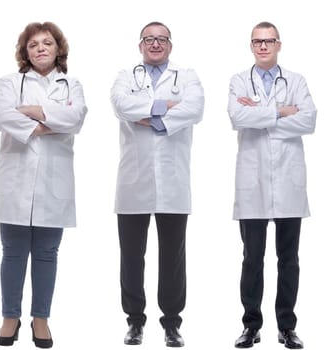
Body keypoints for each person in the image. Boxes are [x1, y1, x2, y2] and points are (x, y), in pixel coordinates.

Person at [0, 21, 86, 349]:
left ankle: (41, 318)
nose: (41, 48)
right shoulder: (9, 82)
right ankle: (10, 317)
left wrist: (33, 112)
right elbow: (1, 116)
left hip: (54, 181)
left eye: (47, 43)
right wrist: (49, 123)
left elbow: (77, 118)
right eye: (33, 45)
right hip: (15, 179)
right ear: (25, 52)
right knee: (13, 252)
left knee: (47, 252)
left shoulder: (71, 84)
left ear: (58, 48)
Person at [110, 21, 204, 348]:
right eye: (149, 39)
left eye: (161, 39)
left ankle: (172, 323)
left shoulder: (187, 75)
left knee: (173, 258)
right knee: (132, 257)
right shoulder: (126, 76)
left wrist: (149, 116)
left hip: (173, 182)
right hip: (133, 182)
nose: (155, 44)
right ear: (140, 45)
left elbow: (196, 108)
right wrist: (168, 109)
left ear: (170, 45)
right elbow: (121, 105)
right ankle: (135, 321)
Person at [227, 22, 316, 349]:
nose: (263, 47)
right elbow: (237, 118)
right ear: (251, 45)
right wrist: (281, 111)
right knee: (252, 258)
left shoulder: (296, 80)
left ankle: (287, 326)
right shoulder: (239, 80)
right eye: (257, 42)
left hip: (289, 180)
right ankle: (251, 326)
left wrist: (262, 116)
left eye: (268, 41)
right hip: (252, 182)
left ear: (278, 44)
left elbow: (309, 121)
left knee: (288, 258)